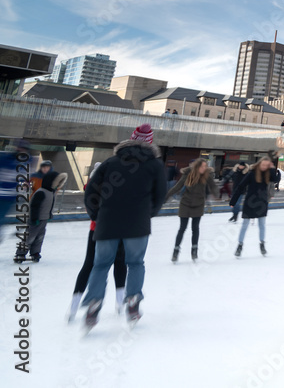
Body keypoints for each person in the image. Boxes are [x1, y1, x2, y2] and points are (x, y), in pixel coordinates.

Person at [81, 124, 167, 331]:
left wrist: (97, 215)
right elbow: (161, 195)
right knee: (135, 263)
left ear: (130, 139)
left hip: (107, 221)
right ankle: (133, 300)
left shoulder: (111, 162)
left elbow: (91, 191)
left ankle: (94, 301)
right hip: (137, 224)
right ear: (150, 143)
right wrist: (147, 214)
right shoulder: (155, 165)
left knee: (100, 264)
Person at [166, 158, 220, 262]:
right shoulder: (188, 174)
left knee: (195, 228)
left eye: (205, 166)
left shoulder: (206, 175)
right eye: (202, 166)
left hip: (198, 204)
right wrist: (166, 196)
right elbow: (178, 186)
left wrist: (216, 192)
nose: (204, 168)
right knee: (182, 228)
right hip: (186, 203)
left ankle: (194, 250)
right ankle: (176, 251)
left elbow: (213, 185)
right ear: (197, 166)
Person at [230, 158, 279, 257]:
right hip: (250, 202)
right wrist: (233, 200)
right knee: (245, 224)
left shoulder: (268, 174)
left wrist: (272, 168)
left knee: (262, 224)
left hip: (262, 202)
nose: (264, 167)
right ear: (259, 164)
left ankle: (262, 244)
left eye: (266, 165)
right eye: (263, 165)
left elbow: (275, 180)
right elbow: (241, 186)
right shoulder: (251, 174)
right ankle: (240, 245)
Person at [15, 170, 67, 262]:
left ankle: (35, 252)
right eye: (57, 182)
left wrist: (49, 215)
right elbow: (34, 206)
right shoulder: (41, 192)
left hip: (44, 219)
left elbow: (49, 206)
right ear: (51, 182)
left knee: (40, 237)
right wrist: (34, 218)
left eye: (59, 183)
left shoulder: (51, 192)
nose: (58, 185)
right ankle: (20, 253)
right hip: (35, 219)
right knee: (29, 237)